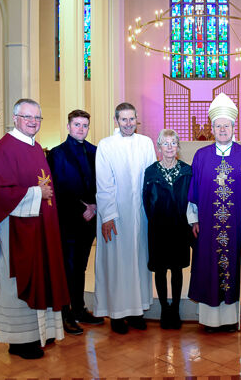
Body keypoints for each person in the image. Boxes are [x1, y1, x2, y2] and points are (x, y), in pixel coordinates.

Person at [0, 98, 70, 360]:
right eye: (28, 117)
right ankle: (19, 341)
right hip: (14, 231)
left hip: (37, 227)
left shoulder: (35, 147)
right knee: (15, 281)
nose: (33, 122)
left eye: (37, 118)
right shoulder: (5, 149)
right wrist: (36, 193)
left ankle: (38, 333)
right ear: (15, 117)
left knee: (40, 275)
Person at [187, 92, 241, 332]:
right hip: (208, 226)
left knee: (234, 266)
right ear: (212, 127)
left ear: (233, 128)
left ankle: (231, 319)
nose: (222, 130)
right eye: (218, 126)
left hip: (236, 227)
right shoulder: (201, 156)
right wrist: (194, 219)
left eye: (226, 126)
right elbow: (194, 191)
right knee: (209, 266)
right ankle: (210, 320)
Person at [94, 102, 156, 334]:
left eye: (132, 119)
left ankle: (137, 311)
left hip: (140, 215)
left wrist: (152, 210)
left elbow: (150, 178)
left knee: (139, 263)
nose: (128, 124)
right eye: (124, 120)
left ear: (136, 120)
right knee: (117, 263)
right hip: (116, 214)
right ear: (116, 120)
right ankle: (117, 314)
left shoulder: (146, 143)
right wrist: (108, 215)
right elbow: (104, 182)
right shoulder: (106, 145)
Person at [47, 109, 104, 336]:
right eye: (77, 124)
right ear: (69, 126)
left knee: (81, 266)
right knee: (68, 267)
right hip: (68, 219)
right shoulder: (56, 154)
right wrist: (84, 207)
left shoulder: (95, 151)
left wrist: (96, 206)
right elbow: (57, 188)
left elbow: (104, 183)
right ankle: (65, 313)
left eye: (85, 125)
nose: (81, 129)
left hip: (90, 221)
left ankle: (79, 309)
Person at [142, 129, 192, 329]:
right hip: (158, 229)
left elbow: (192, 200)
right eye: (165, 143)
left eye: (173, 143)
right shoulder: (150, 172)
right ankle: (164, 308)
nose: (169, 147)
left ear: (178, 147)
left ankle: (176, 308)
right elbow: (145, 201)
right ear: (159, 147)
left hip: (180, 228)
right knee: (161, 270)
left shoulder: (187, 171)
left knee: (177, 270)